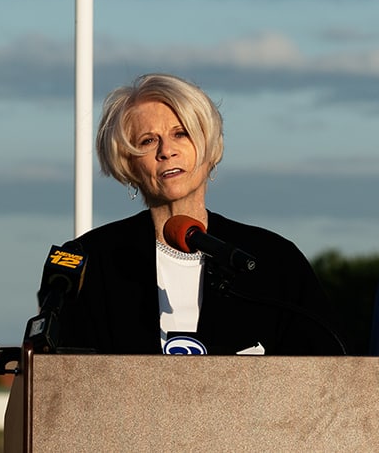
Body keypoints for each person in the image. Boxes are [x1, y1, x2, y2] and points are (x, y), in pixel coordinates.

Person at [58, 73, 345, 356]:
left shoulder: (273, 260)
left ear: (209, 147)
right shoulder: (90, 259)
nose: (166, 151)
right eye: (147, 141)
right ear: (128, 164)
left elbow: (326, 374)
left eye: (180, 134)